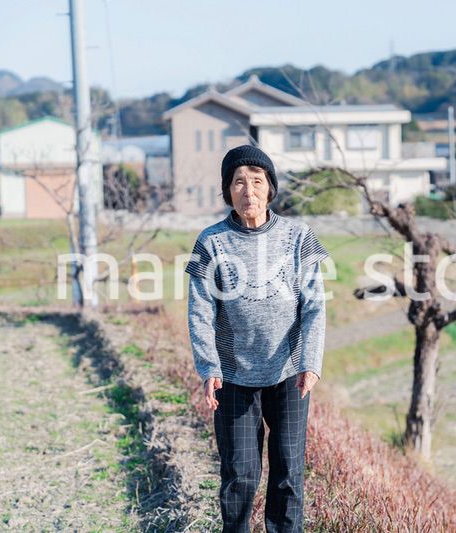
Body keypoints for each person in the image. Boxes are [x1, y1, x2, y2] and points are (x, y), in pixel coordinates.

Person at [184, 144, 329, 533]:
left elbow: (314, 307)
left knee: (288, 474)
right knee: (239, 475)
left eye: (257, 181)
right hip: (234, 377)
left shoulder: (298, 237)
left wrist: (311, 363)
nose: (248, 191)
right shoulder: (211, 242)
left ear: (270, 188)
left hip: (288, 374)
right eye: (238, 182)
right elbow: (200, 311)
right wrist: (209, 367)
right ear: (227, 191)